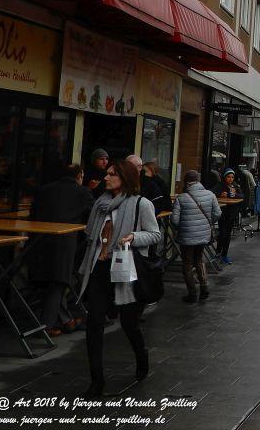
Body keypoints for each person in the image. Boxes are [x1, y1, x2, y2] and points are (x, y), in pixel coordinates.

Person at [78, 158, 160, 397]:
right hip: (99, 270)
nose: (106, 177)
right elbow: (90, 235)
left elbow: (155, 234)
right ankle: (97, 381)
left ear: (124, 178)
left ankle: (141, 358)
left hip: (125, 271)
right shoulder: (100, 204)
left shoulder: (140, 204)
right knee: (93, 324)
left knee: (129, 324)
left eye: (112, 174)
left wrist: (133, 237)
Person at [29, 163, 93, 335]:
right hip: (65, 241)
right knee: (59, 281)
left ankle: (66, 320)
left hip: (39, 239)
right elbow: (91, 217)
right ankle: (46, 325)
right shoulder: (83, 192)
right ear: (79, 175)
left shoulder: (44, 190)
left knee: (49, 281)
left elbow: (32, 214)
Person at [170, 170, 221, 303]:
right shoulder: (210, 195)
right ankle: (204, 288)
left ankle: (192, 293)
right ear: (198, 180)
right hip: (203, 234)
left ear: (186, 182)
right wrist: (208, 223)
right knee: (199, 259)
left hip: (186, 236)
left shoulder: (181, 198)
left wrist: (179, 228)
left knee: (187, 263)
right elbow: (217, 213)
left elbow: (174, 220)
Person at [214, 169, 243, 264]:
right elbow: (211, 193)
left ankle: (224, 254)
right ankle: (217, 254)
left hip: (231, 213)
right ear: (224, 177)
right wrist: (220, 194)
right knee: (222, 234)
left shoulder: (235, 186)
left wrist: (233, 195)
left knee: (228, 235)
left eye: (232, 177)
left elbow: (242, 195)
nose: (230, 179)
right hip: (222, 213)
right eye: (228, 177)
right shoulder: (220, 185)